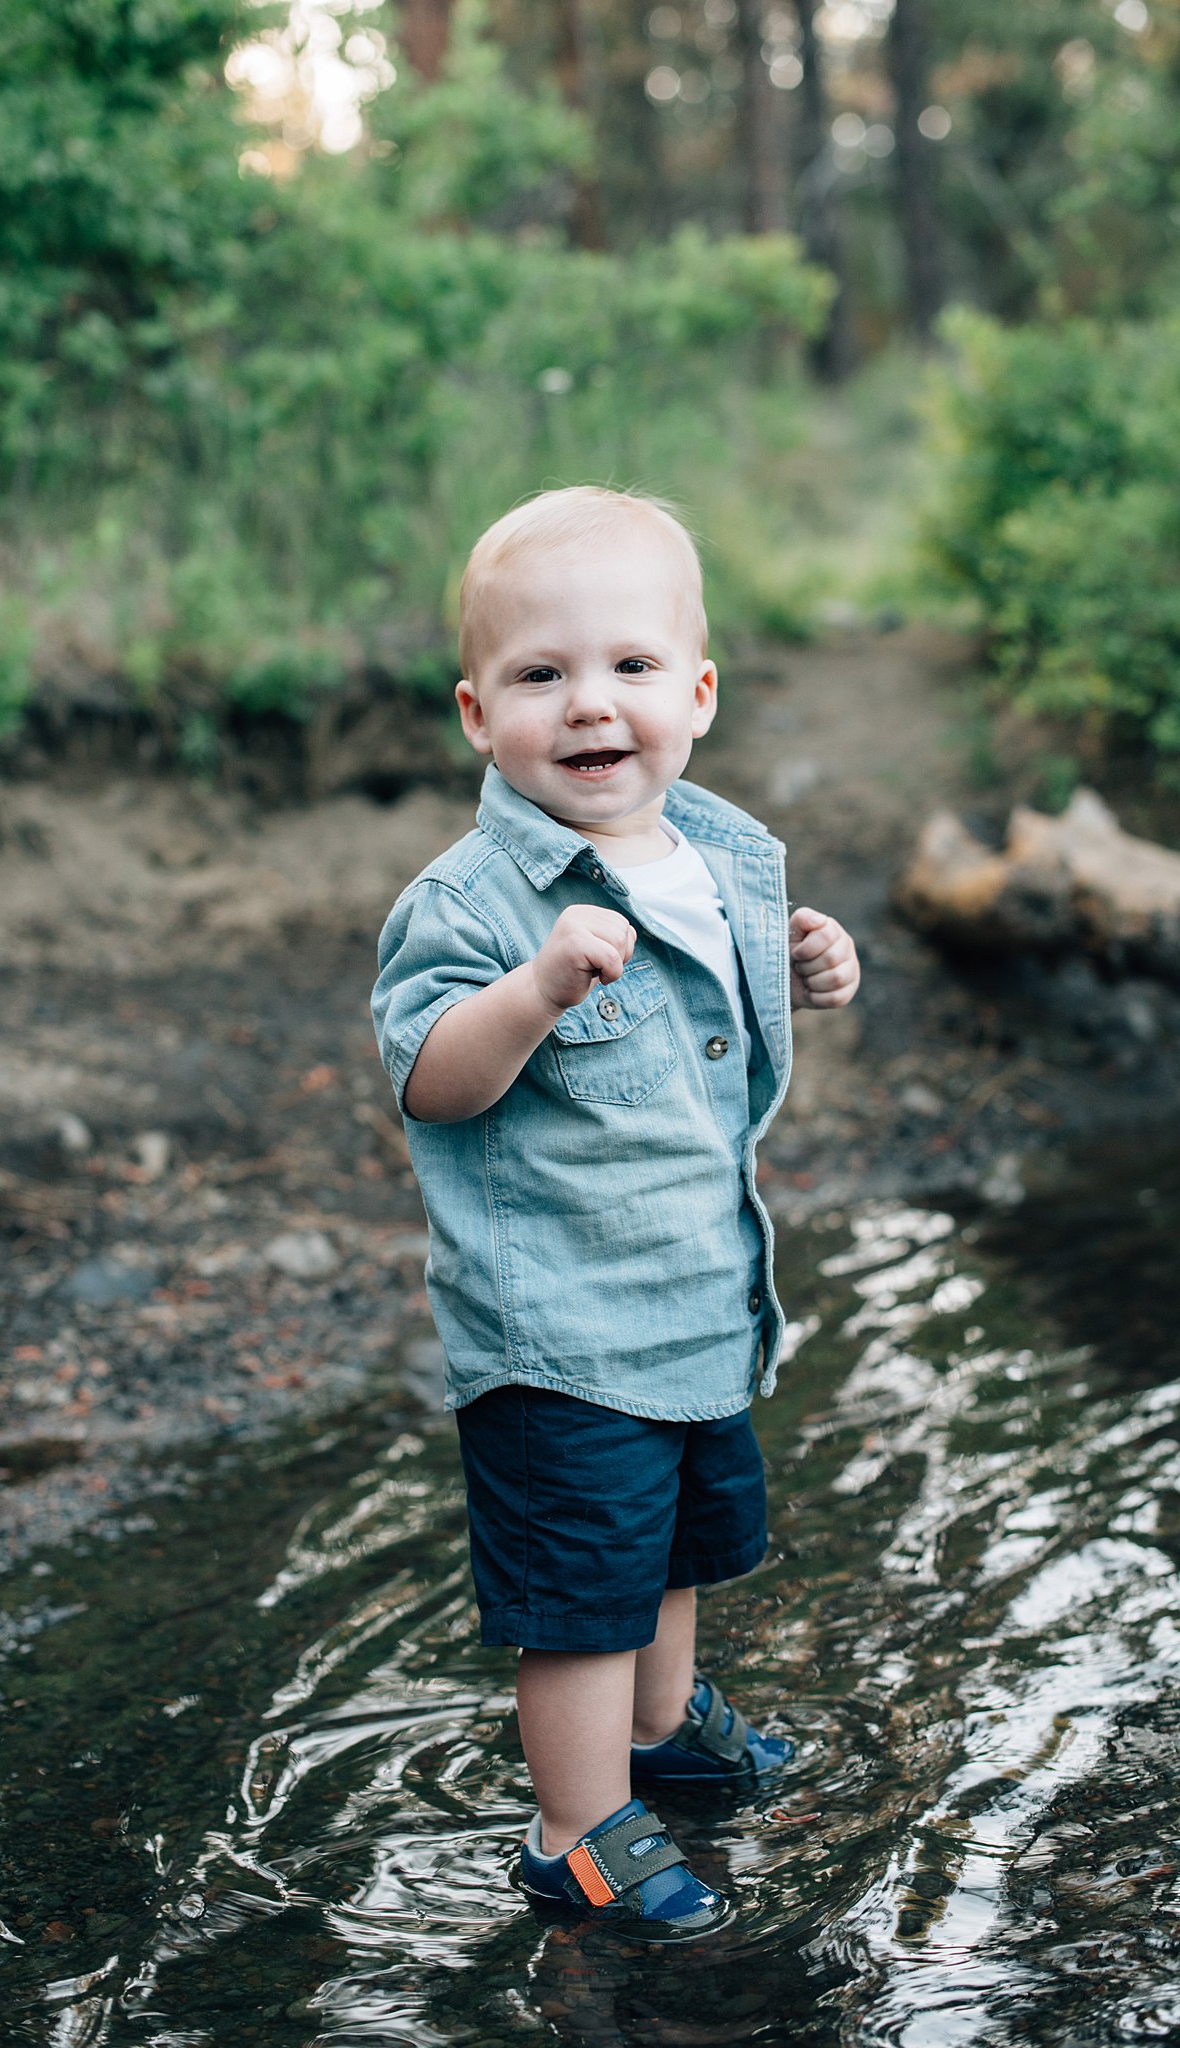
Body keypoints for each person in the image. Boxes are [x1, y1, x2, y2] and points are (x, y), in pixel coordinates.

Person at [371, 486, 860, 1941]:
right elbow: (430, 1081)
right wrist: (530, 993)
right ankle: (575, 1830)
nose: (592, 706)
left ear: (697, 693)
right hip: (559, 1334)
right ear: (477, 713)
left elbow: (713, 1028)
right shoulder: (469, 903)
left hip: (698, 1298)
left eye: (631, 668)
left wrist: (802, 959)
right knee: (583, 1586)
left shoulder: (712, 857)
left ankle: (657, 1737)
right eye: (542, 675)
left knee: (675, 1550)